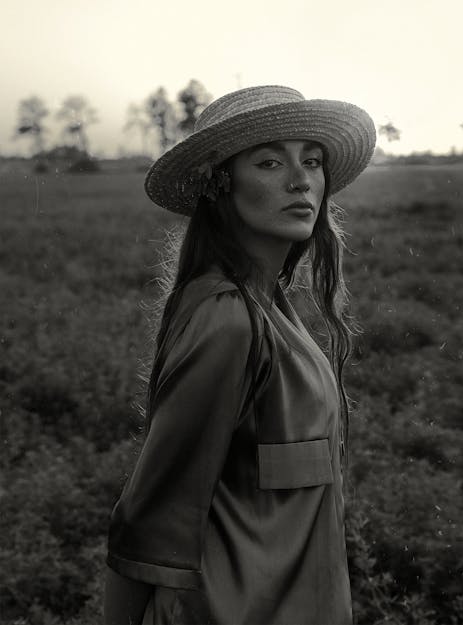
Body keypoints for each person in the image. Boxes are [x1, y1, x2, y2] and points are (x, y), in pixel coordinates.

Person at [104, 85, 376, 625]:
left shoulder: (268, 304)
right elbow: (152, 516)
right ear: (221, 187)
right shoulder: (229, 318)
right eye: (270, 162)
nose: (301, 180)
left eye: (313, 161)